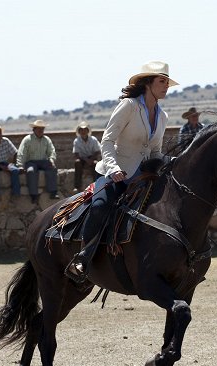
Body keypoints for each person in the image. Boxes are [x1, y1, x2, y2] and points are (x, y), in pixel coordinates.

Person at [65, 60, 178, 283]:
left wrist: (173, 161)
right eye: (161, 81)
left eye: (167, 82)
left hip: (144, 176)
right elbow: (107, 141)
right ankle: (83, 258)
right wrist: (114, 168)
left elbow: (155, 151)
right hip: (115, 172)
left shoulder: (162, 116)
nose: (166, 86)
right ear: (148, 83)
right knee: (99, 207)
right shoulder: (129, 105)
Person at [16, 119, 59, 203]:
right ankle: (33, 195)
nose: (40, 130)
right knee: (31, 171)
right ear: (34, 129)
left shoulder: (46, 140)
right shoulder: (27, 139)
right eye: (38, 128)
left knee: (52, 168)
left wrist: (52, 160)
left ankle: (53, 192)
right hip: (31, 162)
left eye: (42, 129)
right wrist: (20, 165)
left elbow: (52, 151)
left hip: (43, 161)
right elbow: (21, 153)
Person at [72, 121, 101, 193]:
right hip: (82, 159)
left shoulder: (93, 139)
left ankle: (96, 184)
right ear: (79, 131)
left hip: (92, 158)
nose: (83, 132)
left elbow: (97, 151)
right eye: (81, 130)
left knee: (96, 164)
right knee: (77, 162)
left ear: (88, 131)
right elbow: (76, 154)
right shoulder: (77, 141)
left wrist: (91, 159)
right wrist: (86, 159)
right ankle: (77, 186)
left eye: (85, 130)